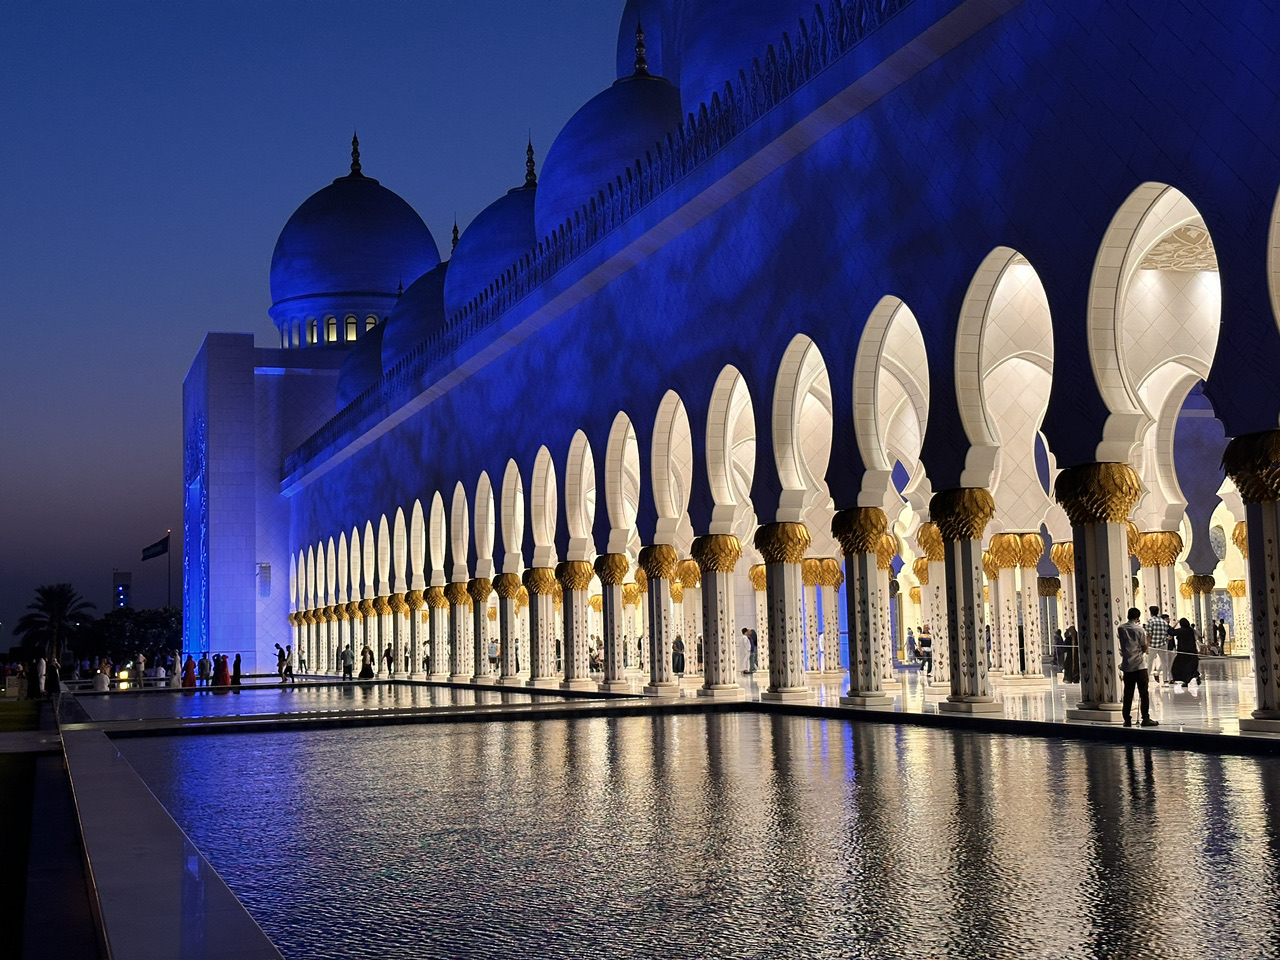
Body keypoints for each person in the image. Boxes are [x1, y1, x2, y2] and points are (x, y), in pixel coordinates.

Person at [1118, 607, 1158, 727]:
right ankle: (1145, 718)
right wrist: (1147, 645)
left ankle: (1127, 719)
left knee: (1128, 693)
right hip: (1140, 666)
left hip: (1127, 666)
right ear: (1137, 618)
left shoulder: (1121, 628)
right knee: (1143, 693)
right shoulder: (1139, 629)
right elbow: (1144, 648)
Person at [1171, 617, 1202, 687]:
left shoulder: (1181, 630)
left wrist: (1175, 624)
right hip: (1192, 652)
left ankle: (1184, 681)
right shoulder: (1190, 630)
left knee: (1178, 667)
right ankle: (1194, 677)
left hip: (1183, 653)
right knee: (1190, 667)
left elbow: (1170, 632)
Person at [1145, 607, 1169, 683]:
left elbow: (1149, 635)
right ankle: (1165, 679)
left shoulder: (1151, 621)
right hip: (1162, 645)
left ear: (1151, 612)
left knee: (1149, 662)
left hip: (1152, 645)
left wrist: (1147, 646)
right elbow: (1166, 634)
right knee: (1164, 662)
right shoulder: (1163, 622)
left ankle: (1147, 679)